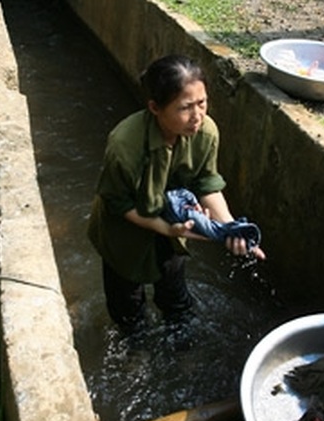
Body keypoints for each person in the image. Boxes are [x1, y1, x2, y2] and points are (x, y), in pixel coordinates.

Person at [87, 54, 265, 339]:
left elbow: (207, 185)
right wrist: (164, 227)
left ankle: (181, 347)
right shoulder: (124, 145)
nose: (197, 116)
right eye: (185, 107)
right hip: (124, 233)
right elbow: (118, 203)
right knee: (128, 309)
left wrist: (232, 229)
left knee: (175, 297)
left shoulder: (206, 132)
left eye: (202, 102)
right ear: (155, 107)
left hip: (175, 226)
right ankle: (136, 350)